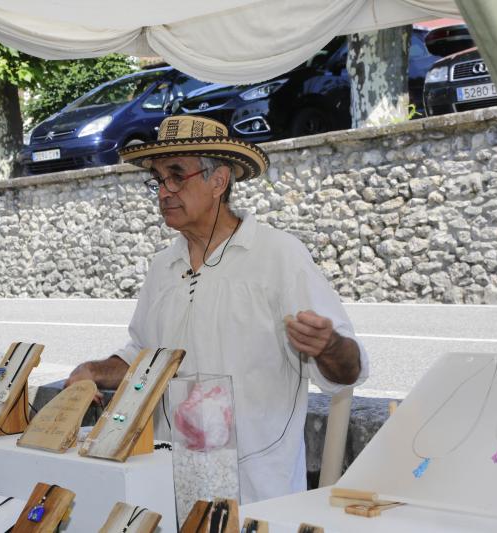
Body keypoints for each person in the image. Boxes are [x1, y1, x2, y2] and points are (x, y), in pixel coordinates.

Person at [65, 115, 369, 503]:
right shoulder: (164, 267)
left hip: (257, 494)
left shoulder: (278, 256)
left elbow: (350, 371)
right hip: (174, 488)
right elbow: (144, 358)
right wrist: (94, 371)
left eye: (176, 176)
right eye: (157, 180)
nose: (163, 191)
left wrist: (328, 346)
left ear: (218, 181)